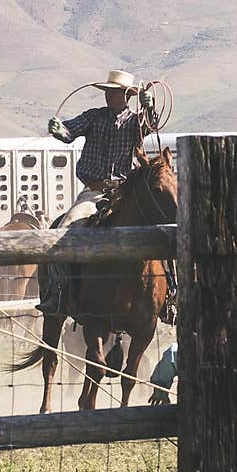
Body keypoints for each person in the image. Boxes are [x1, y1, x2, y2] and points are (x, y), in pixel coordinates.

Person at [37, 68, 153, 315]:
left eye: (114, 93)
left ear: (126, 95)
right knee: (65, 228)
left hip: (125, 194)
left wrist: (149, 107)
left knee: (158, 231)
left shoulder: (135, 121)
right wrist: (59, 130)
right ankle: (59, 291)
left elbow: (149, 125)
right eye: (107, 92)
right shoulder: (93, 117)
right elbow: (69, 132)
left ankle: (168, 294)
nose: (109, 97)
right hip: (93, 192)